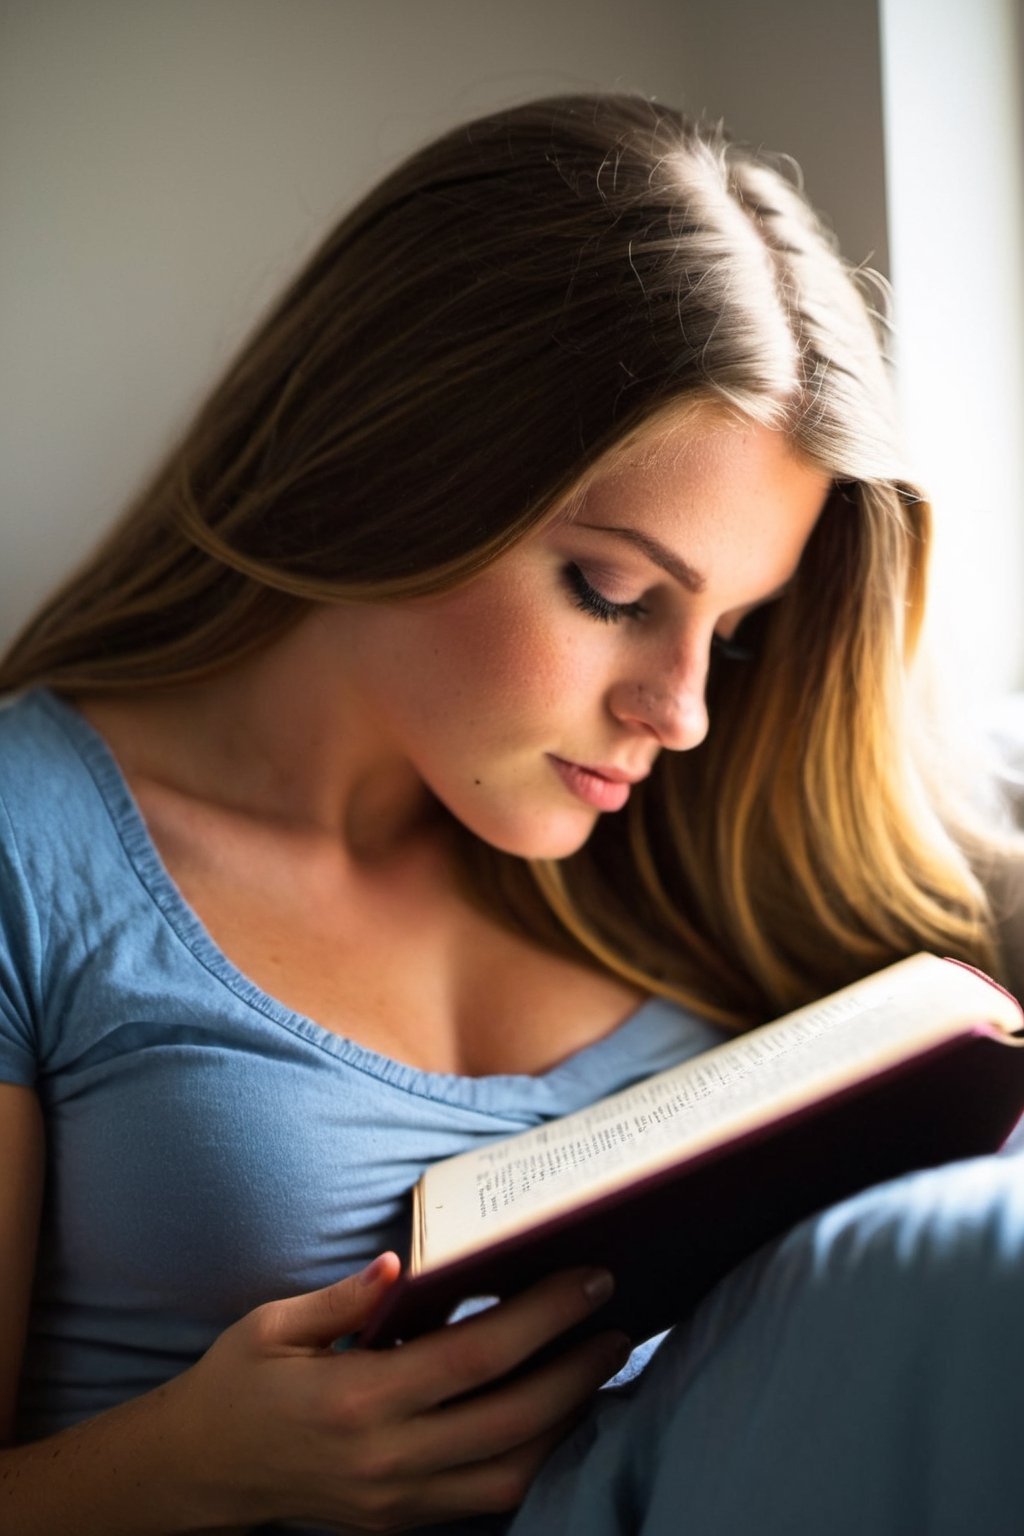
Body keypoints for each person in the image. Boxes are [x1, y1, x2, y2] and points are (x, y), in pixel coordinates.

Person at [0, 92, 1022, 1536]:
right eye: (614, 594)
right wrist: (187, 1464)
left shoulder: (698, 838)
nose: (684, 712)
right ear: (400, 459)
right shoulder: (32, 845)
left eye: (730, 632)